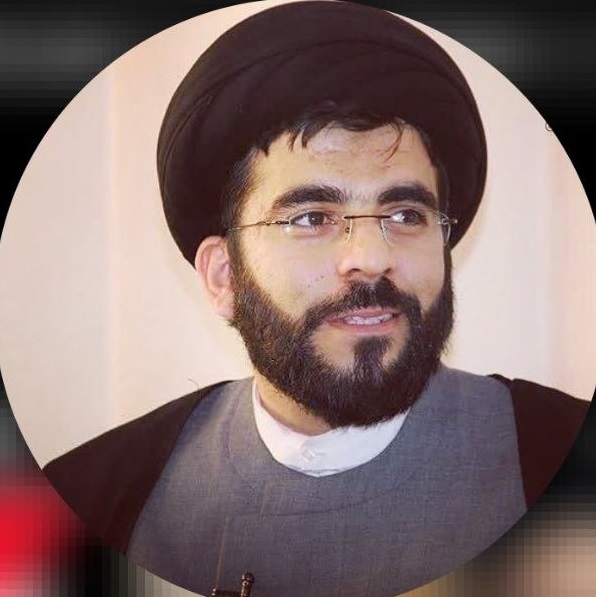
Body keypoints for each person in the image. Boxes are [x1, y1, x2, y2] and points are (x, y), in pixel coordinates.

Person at [42, 2, 590, 596]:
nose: (372, 257)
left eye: (406, 214)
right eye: (311, 218)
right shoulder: (92, 495)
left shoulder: (555, 450)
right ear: (225, 277)